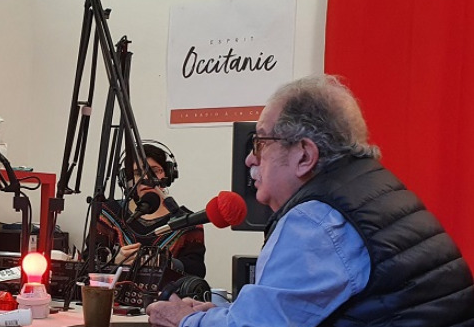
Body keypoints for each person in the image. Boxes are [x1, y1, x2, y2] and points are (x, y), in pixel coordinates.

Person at [146, 75, 474, 326]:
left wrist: (185, 319)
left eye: (260, 143)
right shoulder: (365, 191)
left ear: (304, 155)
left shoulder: (318, 220)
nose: (249, 160)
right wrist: (223, 314)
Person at [93, 143, 207, 278]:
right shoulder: (109, 215)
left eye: (154, 171)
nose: (146, 178)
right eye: (137, 173)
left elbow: (197, 271)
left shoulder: (189, 222)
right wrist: (113, 261)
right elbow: (88, 262)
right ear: (127, 179)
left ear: (168, 175)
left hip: (167, 291)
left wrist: (164, 262)